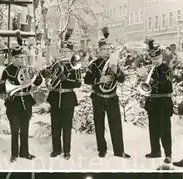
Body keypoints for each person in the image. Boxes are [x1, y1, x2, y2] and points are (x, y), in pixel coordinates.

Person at [84, 27, 130, 159]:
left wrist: (116, 71)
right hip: (98, 98)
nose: (108, 52)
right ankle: (101, 149)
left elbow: (122, 79)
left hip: (112, 98)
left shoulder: (114, 63)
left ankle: (119, 151)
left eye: (109, 50)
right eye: (105, 50)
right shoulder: (94, 64)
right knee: (99, 124)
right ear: (99, 51)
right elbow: (87, 80)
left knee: (116, 125)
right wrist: (99, 79)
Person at [0, 31, 43, 163]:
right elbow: (0, 88)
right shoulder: (7, 71)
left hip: (27, 102)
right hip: (14, 103)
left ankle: (25, 152)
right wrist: (11, 85)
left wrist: (37, 75)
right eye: (20, 58)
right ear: (14, 59)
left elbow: (37, 82)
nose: (23, 60)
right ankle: (14, 154)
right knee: (15, 129)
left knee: (25, 129)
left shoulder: (28, 69)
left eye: (24, 58)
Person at [44, 29, 81, 160]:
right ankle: (56, 149)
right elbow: (48, 81)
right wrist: (47, 74)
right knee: (55, 126)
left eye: (67, 51)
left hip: (68, 100)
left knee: (66, 127)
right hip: (55, 98)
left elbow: (78, 83)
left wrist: (66, 79)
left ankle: (66, 150)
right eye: (62, 51)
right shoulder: (56, 64)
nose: (64, 53)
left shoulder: (75, 66)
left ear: (71, 53)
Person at [144, 39, 175, 164]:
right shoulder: (151, 70)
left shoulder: (165, 69)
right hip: (153, 102)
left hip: (164, 101)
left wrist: (154, 79)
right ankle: (155, 151)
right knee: (153, 128)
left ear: (161, 57)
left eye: (156, 58)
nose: (154, 61)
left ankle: (168, 154)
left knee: (165, 129)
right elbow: (147, 87)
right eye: (153, 59)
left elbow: (165, 83)